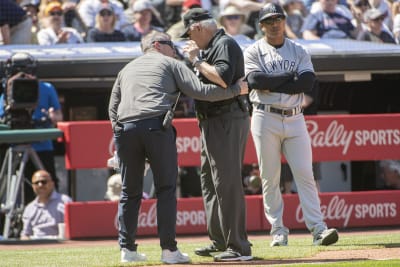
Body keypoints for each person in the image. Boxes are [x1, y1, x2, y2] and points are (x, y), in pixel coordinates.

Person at [108, 30, 247, 263]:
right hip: (155, 127)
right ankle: (169, 251)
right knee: (166, 190)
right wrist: (236, 90)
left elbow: (113, 108)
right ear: (157, 45)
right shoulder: (169, 63)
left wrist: (120, 133)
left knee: (129, 192)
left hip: (125, 130)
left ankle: (127, 250)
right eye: (170, 44)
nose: (174, 49)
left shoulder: (126, 69)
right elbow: (202, 92)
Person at [243, 3, 339, 247]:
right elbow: (255, 80)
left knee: (305, 174)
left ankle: (318, 229)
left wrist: (273, 83)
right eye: (270, 20)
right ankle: (277, 229)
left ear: (284, 22)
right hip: (265, 116)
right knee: (269, 176)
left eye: (279, 19)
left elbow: (306, 82)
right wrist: (289, 78)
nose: (275, 24)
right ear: (261, 25)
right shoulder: (253, 50)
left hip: (295, 117)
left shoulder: (298, 49)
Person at [181, 8, 253, 262]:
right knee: (210, 182)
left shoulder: (223, 43)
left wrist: (196, 60)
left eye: (189, 33)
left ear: (198, 27)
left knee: (227, 182)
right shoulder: (212, 47)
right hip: (212, 120)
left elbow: (222, 79)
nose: (189, 40)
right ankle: (220, 240)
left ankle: (239, 247)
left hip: (226, 118)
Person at [0, 52, 63, 204]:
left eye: (26, 71)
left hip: (42, 146)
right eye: (17, 71)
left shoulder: (47, 88)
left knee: (47, 184)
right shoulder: (6, 91)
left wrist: (51, 118)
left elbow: (58, 117)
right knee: (13, 188)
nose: (22, 75)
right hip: (15, 147)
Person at [20, 170, 72, 240]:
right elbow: (25, 234)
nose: (40, 185)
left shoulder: (65, 201)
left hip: (59, 244)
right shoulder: (29, 208)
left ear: (52, 183)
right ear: (33, 186)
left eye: (43, 182)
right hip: (35, 245)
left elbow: (73, 228)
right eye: (36, 183)